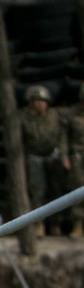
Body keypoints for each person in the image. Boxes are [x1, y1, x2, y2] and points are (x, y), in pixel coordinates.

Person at [20, 84, 70, 236]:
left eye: (43, 101)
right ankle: (38, 224)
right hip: (35, 157)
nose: (40, 104)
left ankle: (56, 224)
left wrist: (64, 157)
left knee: (56, 191)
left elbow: (62, 136)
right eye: (36, 100)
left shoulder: (54, 115)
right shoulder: (23, 118)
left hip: (53, 156)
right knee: (37, 190)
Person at [62, 82, 84, 238]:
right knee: (78, 191)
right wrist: (64, 156)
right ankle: (78, 226)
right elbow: (63, 138)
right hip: (78, 156)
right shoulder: (72, 114)